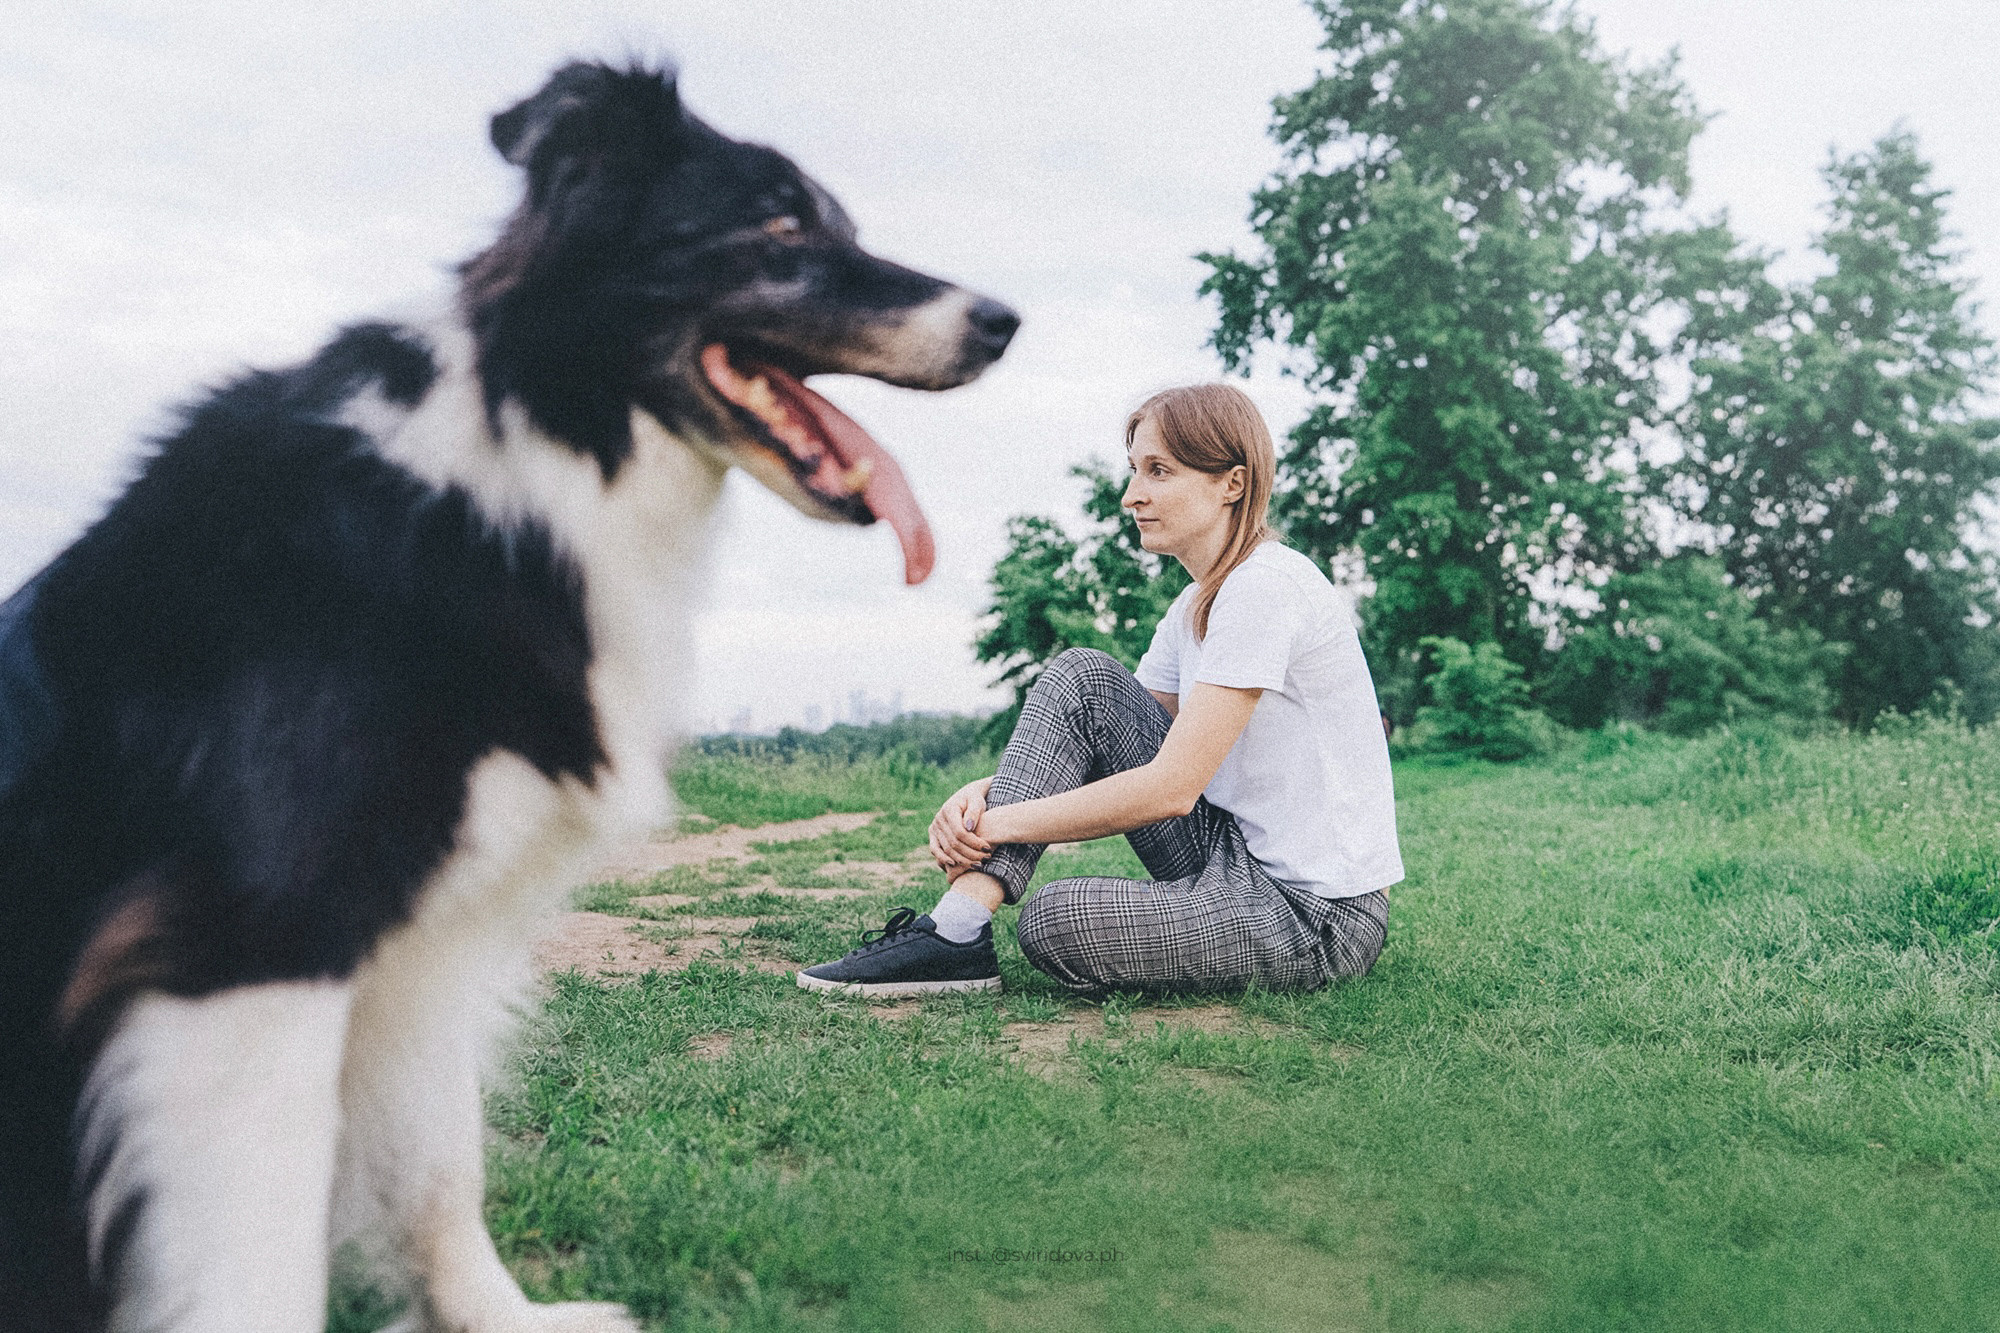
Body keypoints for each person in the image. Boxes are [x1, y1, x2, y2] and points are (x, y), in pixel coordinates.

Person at [797, 383, 1402, 996]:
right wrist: (981, 795)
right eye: (1135, 470)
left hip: (1316, 911)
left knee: (1058, 920)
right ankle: (955, 931)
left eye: (1159, 471)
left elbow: (1169, 789)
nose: (1131, 495)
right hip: (1225, 851)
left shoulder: (1266, 588)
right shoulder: (1196, 602)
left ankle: (954, 936)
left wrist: (997, 824)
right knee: (1083, 676)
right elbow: (1089, 735)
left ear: (1233, 484)